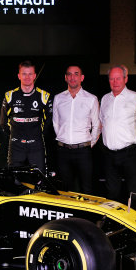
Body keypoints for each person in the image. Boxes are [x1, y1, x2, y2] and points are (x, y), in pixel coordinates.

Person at [99, 65, 136, 207]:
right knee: (112, 192)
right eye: (111, 78)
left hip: (130, 153)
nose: (115, 81)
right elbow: (101, 123)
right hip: (109, 154)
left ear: (126, 79)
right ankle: (113, 226)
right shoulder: (105, 99)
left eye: (118, 78)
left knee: (133, 191)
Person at [52, 65, 101, 194]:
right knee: (64, 190)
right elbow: (56, 123)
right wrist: (65, 139)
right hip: (63, 151)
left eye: (76, 74)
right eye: (69, 74)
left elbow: (96, 125)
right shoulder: (58, 98)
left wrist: (88, 144)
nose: (72, 77)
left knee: (86, 189)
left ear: (82, 78)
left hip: (83, 152)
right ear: (65, 78)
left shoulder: (91, 99)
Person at [0, 60, 52, 174]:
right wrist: (16, 136)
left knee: (39, 181)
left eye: (30, 74)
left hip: (36, 146)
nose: (27, 77)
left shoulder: (44, 96)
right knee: (15, 181)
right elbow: (3, 123)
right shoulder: (10, 96)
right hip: (16, 146)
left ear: (34, 76)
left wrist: (36, 135)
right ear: (19, 76)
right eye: (24, 74)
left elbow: (49, 122)